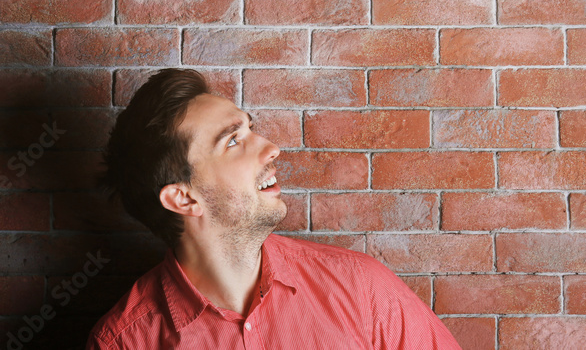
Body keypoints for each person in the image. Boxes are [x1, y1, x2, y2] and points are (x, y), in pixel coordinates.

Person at [88, 68, 461, 349]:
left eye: (251, 129)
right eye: (233, 141)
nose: (271, 149)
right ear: (183, 198)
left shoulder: (359, 286)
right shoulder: (124, 342)